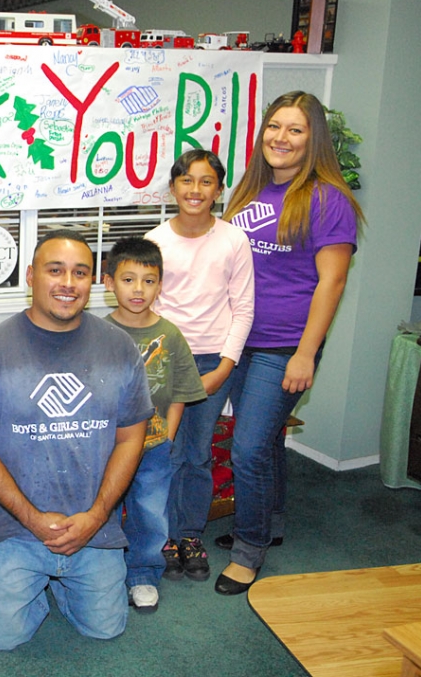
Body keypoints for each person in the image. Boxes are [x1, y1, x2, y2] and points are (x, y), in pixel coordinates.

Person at [0, 230, 154, 651]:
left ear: (92, 282)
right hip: (14, 529)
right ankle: (34, 588)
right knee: (2, 639)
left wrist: (95, 517)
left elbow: (132, 438)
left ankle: (63, 586)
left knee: (106, 628)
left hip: (93, 527)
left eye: (80, 273)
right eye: (54, 270)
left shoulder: (120, 348)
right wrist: (34, 519)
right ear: (30, 277)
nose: (67, 283)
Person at [216, 90, 364, 595]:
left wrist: (305, 353)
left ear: (313, 138)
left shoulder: (328, 199)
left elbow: (332, 282)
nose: (280, 138)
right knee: (269, 440)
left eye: (295, 129)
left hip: (284, 343)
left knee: (249, 446)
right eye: (274, 127)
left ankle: (248, 549)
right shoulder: (250, 192)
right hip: (238, 336)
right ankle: (271, 523)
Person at [145, 150, 254, 582]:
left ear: (219, 189)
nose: (195, 190)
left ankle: (189, 535)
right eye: (186, 181)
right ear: (173, 188)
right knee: (161, 452)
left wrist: (226, 366)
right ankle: (160, 538)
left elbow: (243, 309)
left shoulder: (233, 240)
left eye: (206, 181)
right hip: (166, 360)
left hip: (213, 360)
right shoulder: (155, 242)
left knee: (196, 454)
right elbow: (146, 307)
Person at [103, 237, 206, 613]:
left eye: (149, 280)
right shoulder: (96, 334)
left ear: (160, 285)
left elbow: (179, 392)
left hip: (155, 446)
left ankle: (143, 574)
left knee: (150, 512)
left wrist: (169, 436)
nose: (138, 289)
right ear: (109, 282)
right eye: (128, 279)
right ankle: (105, 572)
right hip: (106, 449)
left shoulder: (172, 335)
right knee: (105, 509)